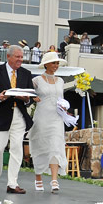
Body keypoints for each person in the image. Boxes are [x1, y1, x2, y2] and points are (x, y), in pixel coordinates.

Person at [0, 45, 34, 194]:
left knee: (17, 149)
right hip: (1, 115)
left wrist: (27, 100)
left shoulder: (26, 73)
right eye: (17, 57)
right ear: (8, 57)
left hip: (19, 116)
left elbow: (31, 97)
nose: (20, 60)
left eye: (22, 57)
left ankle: (12, 184)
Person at [28, 51, 73, 193]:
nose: (56, 65)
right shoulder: (36, 80)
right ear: (46, 64)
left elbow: (61, 98)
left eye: (57, 63)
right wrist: (33, 98)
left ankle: (54, 180)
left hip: (56, 118)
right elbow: (27, 94)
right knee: (40, 146)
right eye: (54, 62)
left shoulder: (60, 81)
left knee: (55, 145)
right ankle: (38, 178)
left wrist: (65, 107)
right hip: (41, 118)